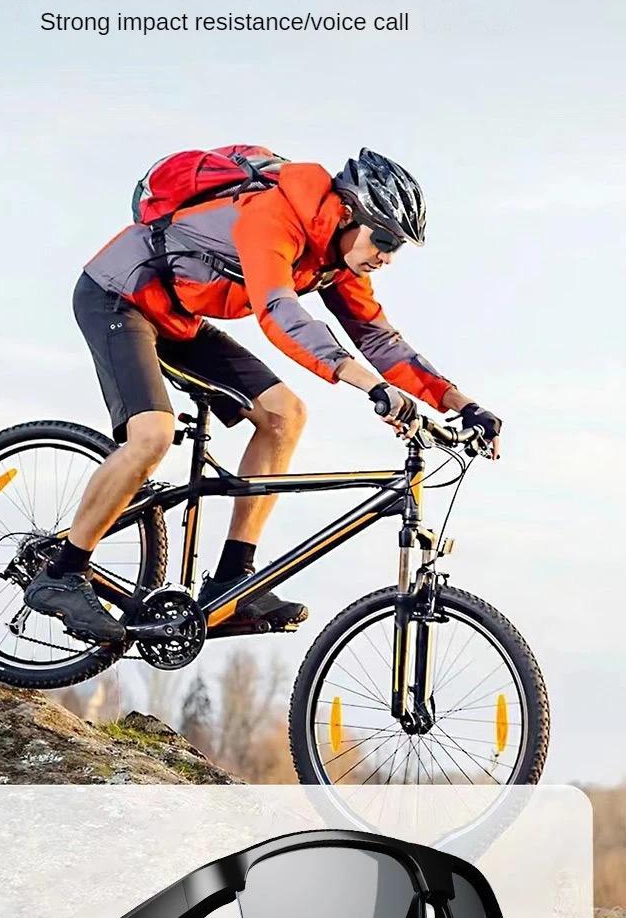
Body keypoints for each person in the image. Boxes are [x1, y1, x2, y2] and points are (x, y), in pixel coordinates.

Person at [25, 148, 501, 643]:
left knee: (284, 415)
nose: (387, 256)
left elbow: (379, 338)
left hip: (180, 319)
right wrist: (369, 385)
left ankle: (234, 583)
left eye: (396, 247)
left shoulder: (337, 260)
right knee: (153, 435)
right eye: (383, 239)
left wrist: (463, 404)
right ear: (348, 213)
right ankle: (62, 573)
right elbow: (279, 312)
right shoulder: (271, 216)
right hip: (119, 297)